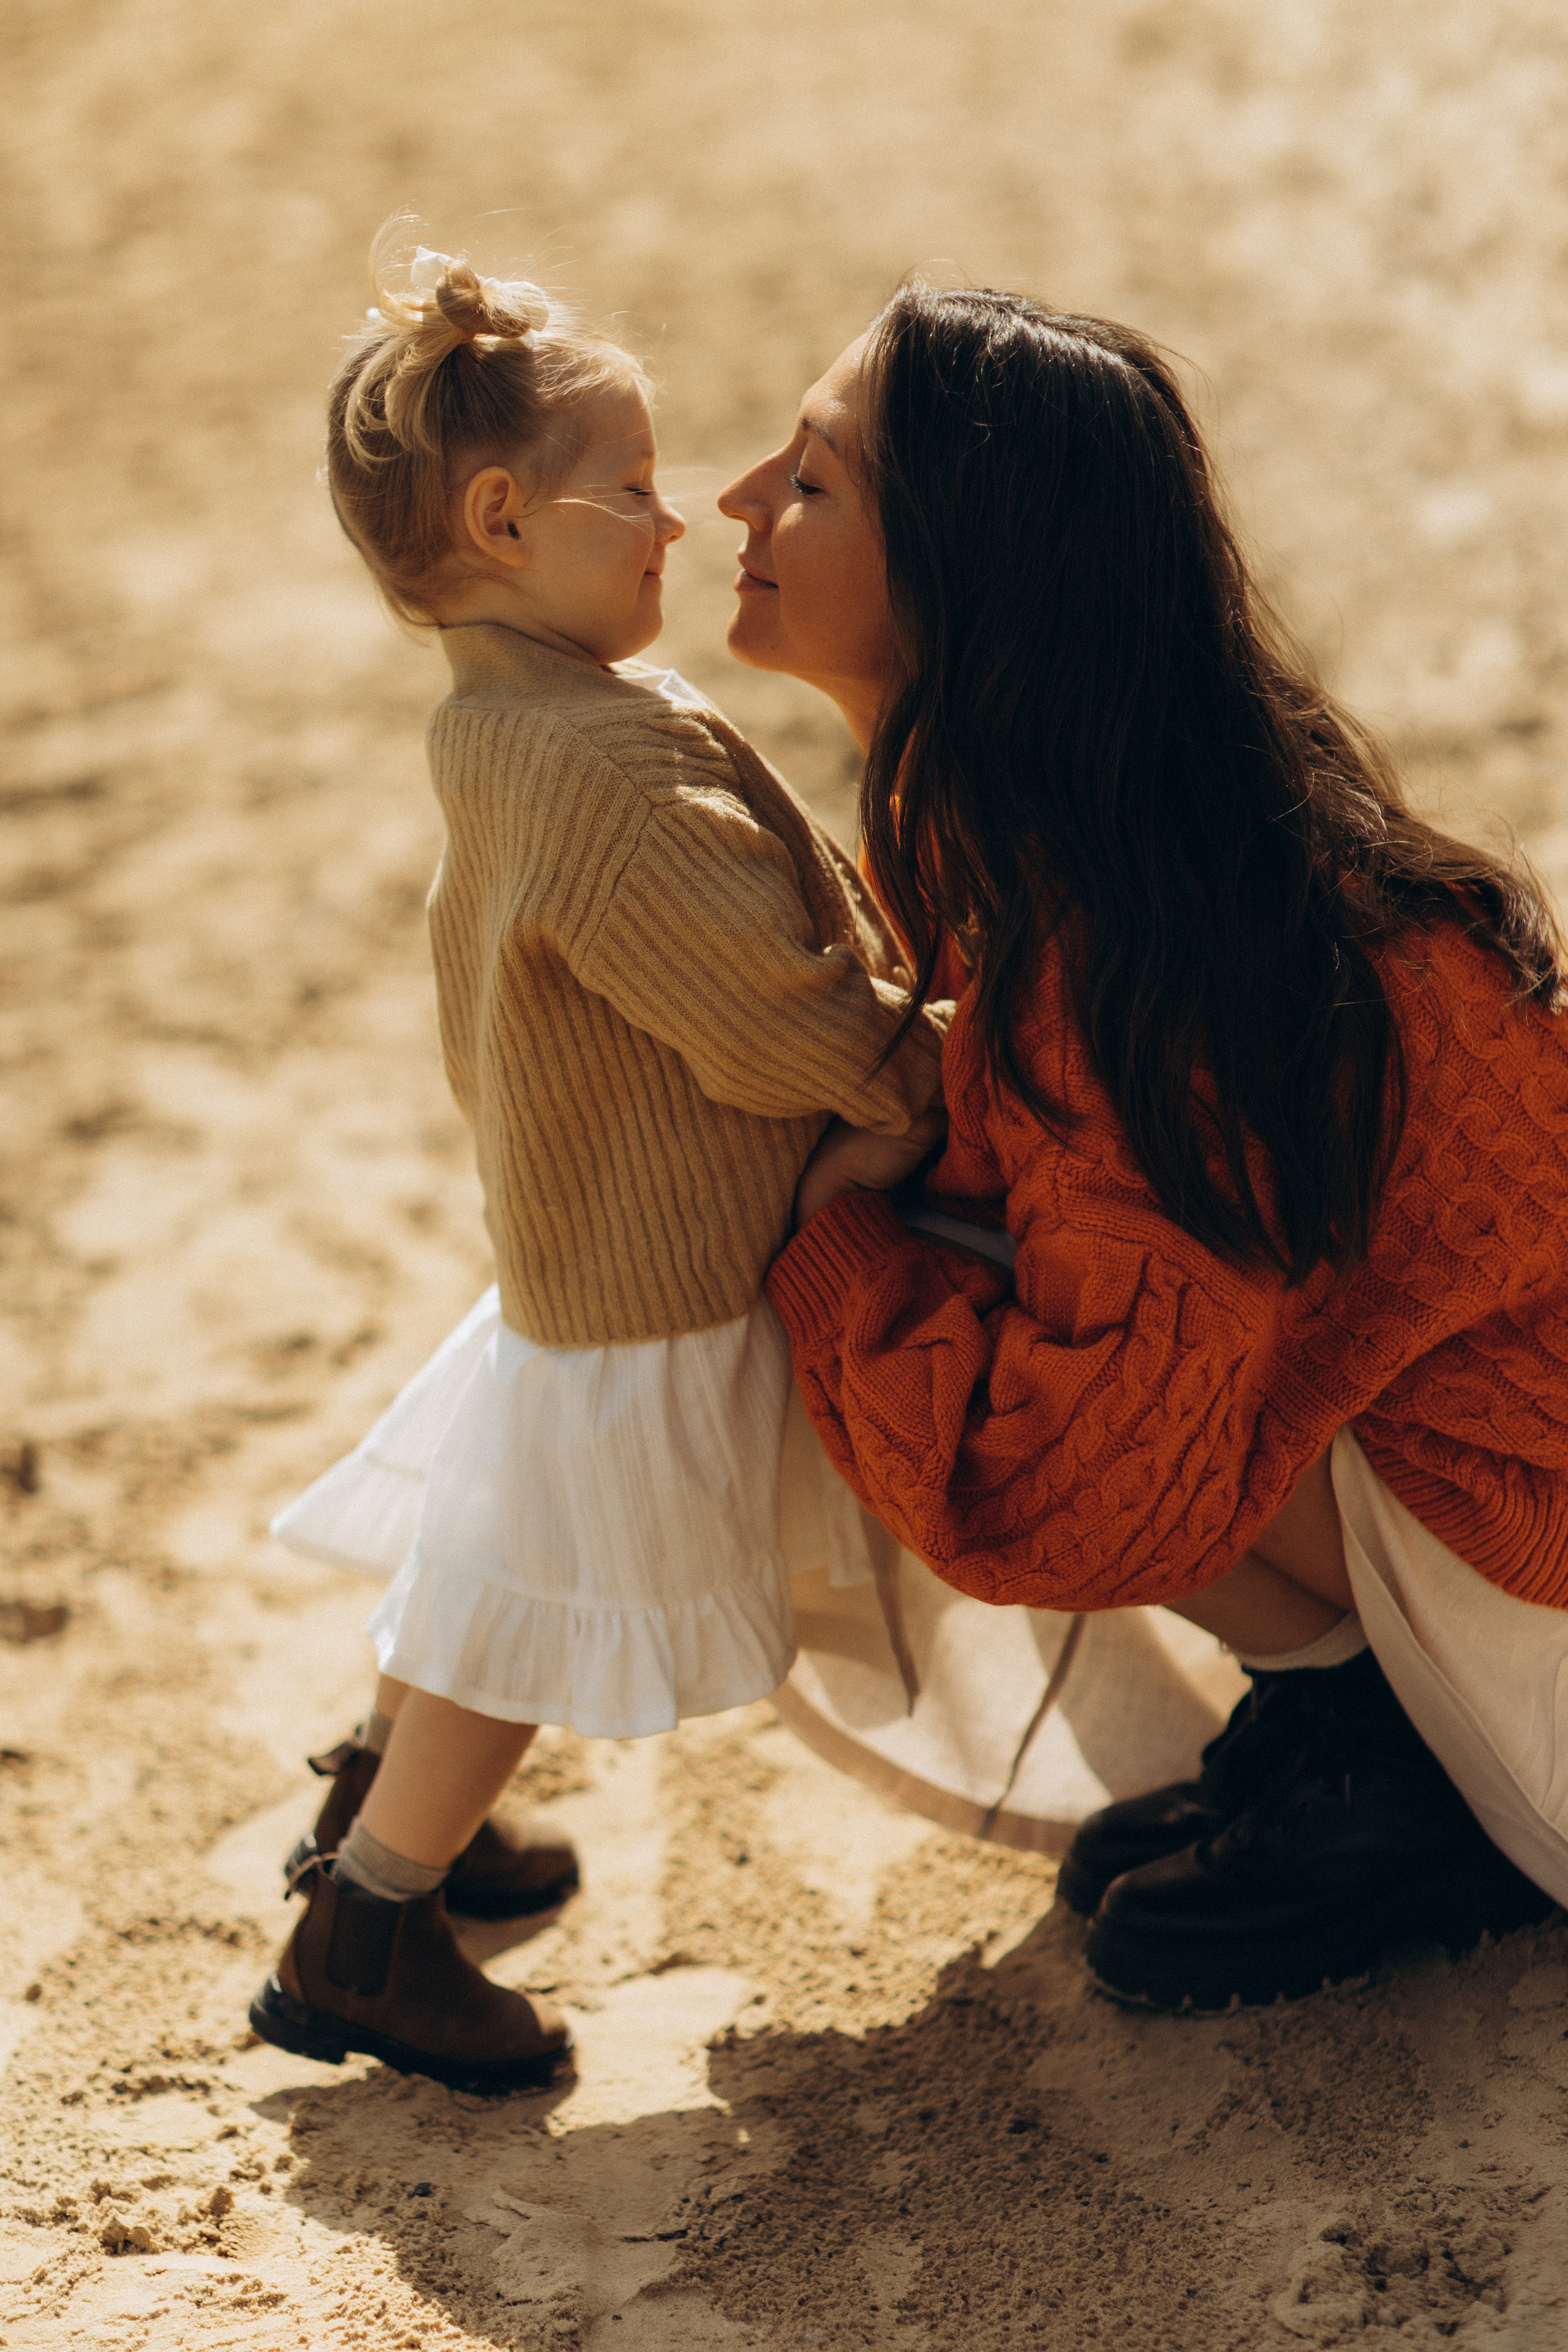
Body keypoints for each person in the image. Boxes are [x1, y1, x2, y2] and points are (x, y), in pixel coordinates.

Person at [721, 283, 1568, 2011]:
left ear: (967, 574)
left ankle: (1406, 1780)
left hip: (1548, 1598)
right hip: (1511, 1534)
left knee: (891, 1301)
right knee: (979, 1281)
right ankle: (1364, 1726)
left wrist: (837, 1255)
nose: (739, 500)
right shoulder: (1097, 859)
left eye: (811, 481)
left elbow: (1083, 1497)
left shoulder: (1132, 958)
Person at [250, 231, 946, 2094]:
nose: (670, 520)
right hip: (650, 1280)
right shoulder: (602, 780)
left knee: (477, 1553)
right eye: (628, 490)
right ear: (499, 518)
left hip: (574, 1239)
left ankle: (390, 1821)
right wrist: (917, 1078)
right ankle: (369, 1927)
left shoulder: (506, 721)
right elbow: (765, 1018)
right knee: (517, 1611)